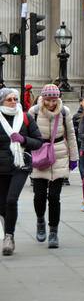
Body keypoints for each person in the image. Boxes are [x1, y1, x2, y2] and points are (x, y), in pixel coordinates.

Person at [29, 84, 79, 248]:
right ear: (43, 99)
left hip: (59, 154)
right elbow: (27, 134)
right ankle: (40, 221)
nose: (51, 104)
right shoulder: (34, 111)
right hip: (39, 154)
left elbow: (71, 134)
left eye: (54, 100)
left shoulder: (64, 112)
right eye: (48, 100)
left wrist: (74, 157)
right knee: (39, 196)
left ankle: (53, 232)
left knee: (54, 197)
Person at [0, 88, 43, 255]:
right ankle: (6, 231)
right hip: (1, 166)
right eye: (9, 99)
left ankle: (9, 237)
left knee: (11, 200)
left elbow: (38, 142)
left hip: (20, 165)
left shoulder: (25, 117)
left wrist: (23, 140)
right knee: (2, 205)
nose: (13, 102)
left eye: (15, 99)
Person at [73, 96, 84, 181]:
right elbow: (73, 129)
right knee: (82, 161)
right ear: (81, 103)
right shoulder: (77, 116)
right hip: (80, 142)